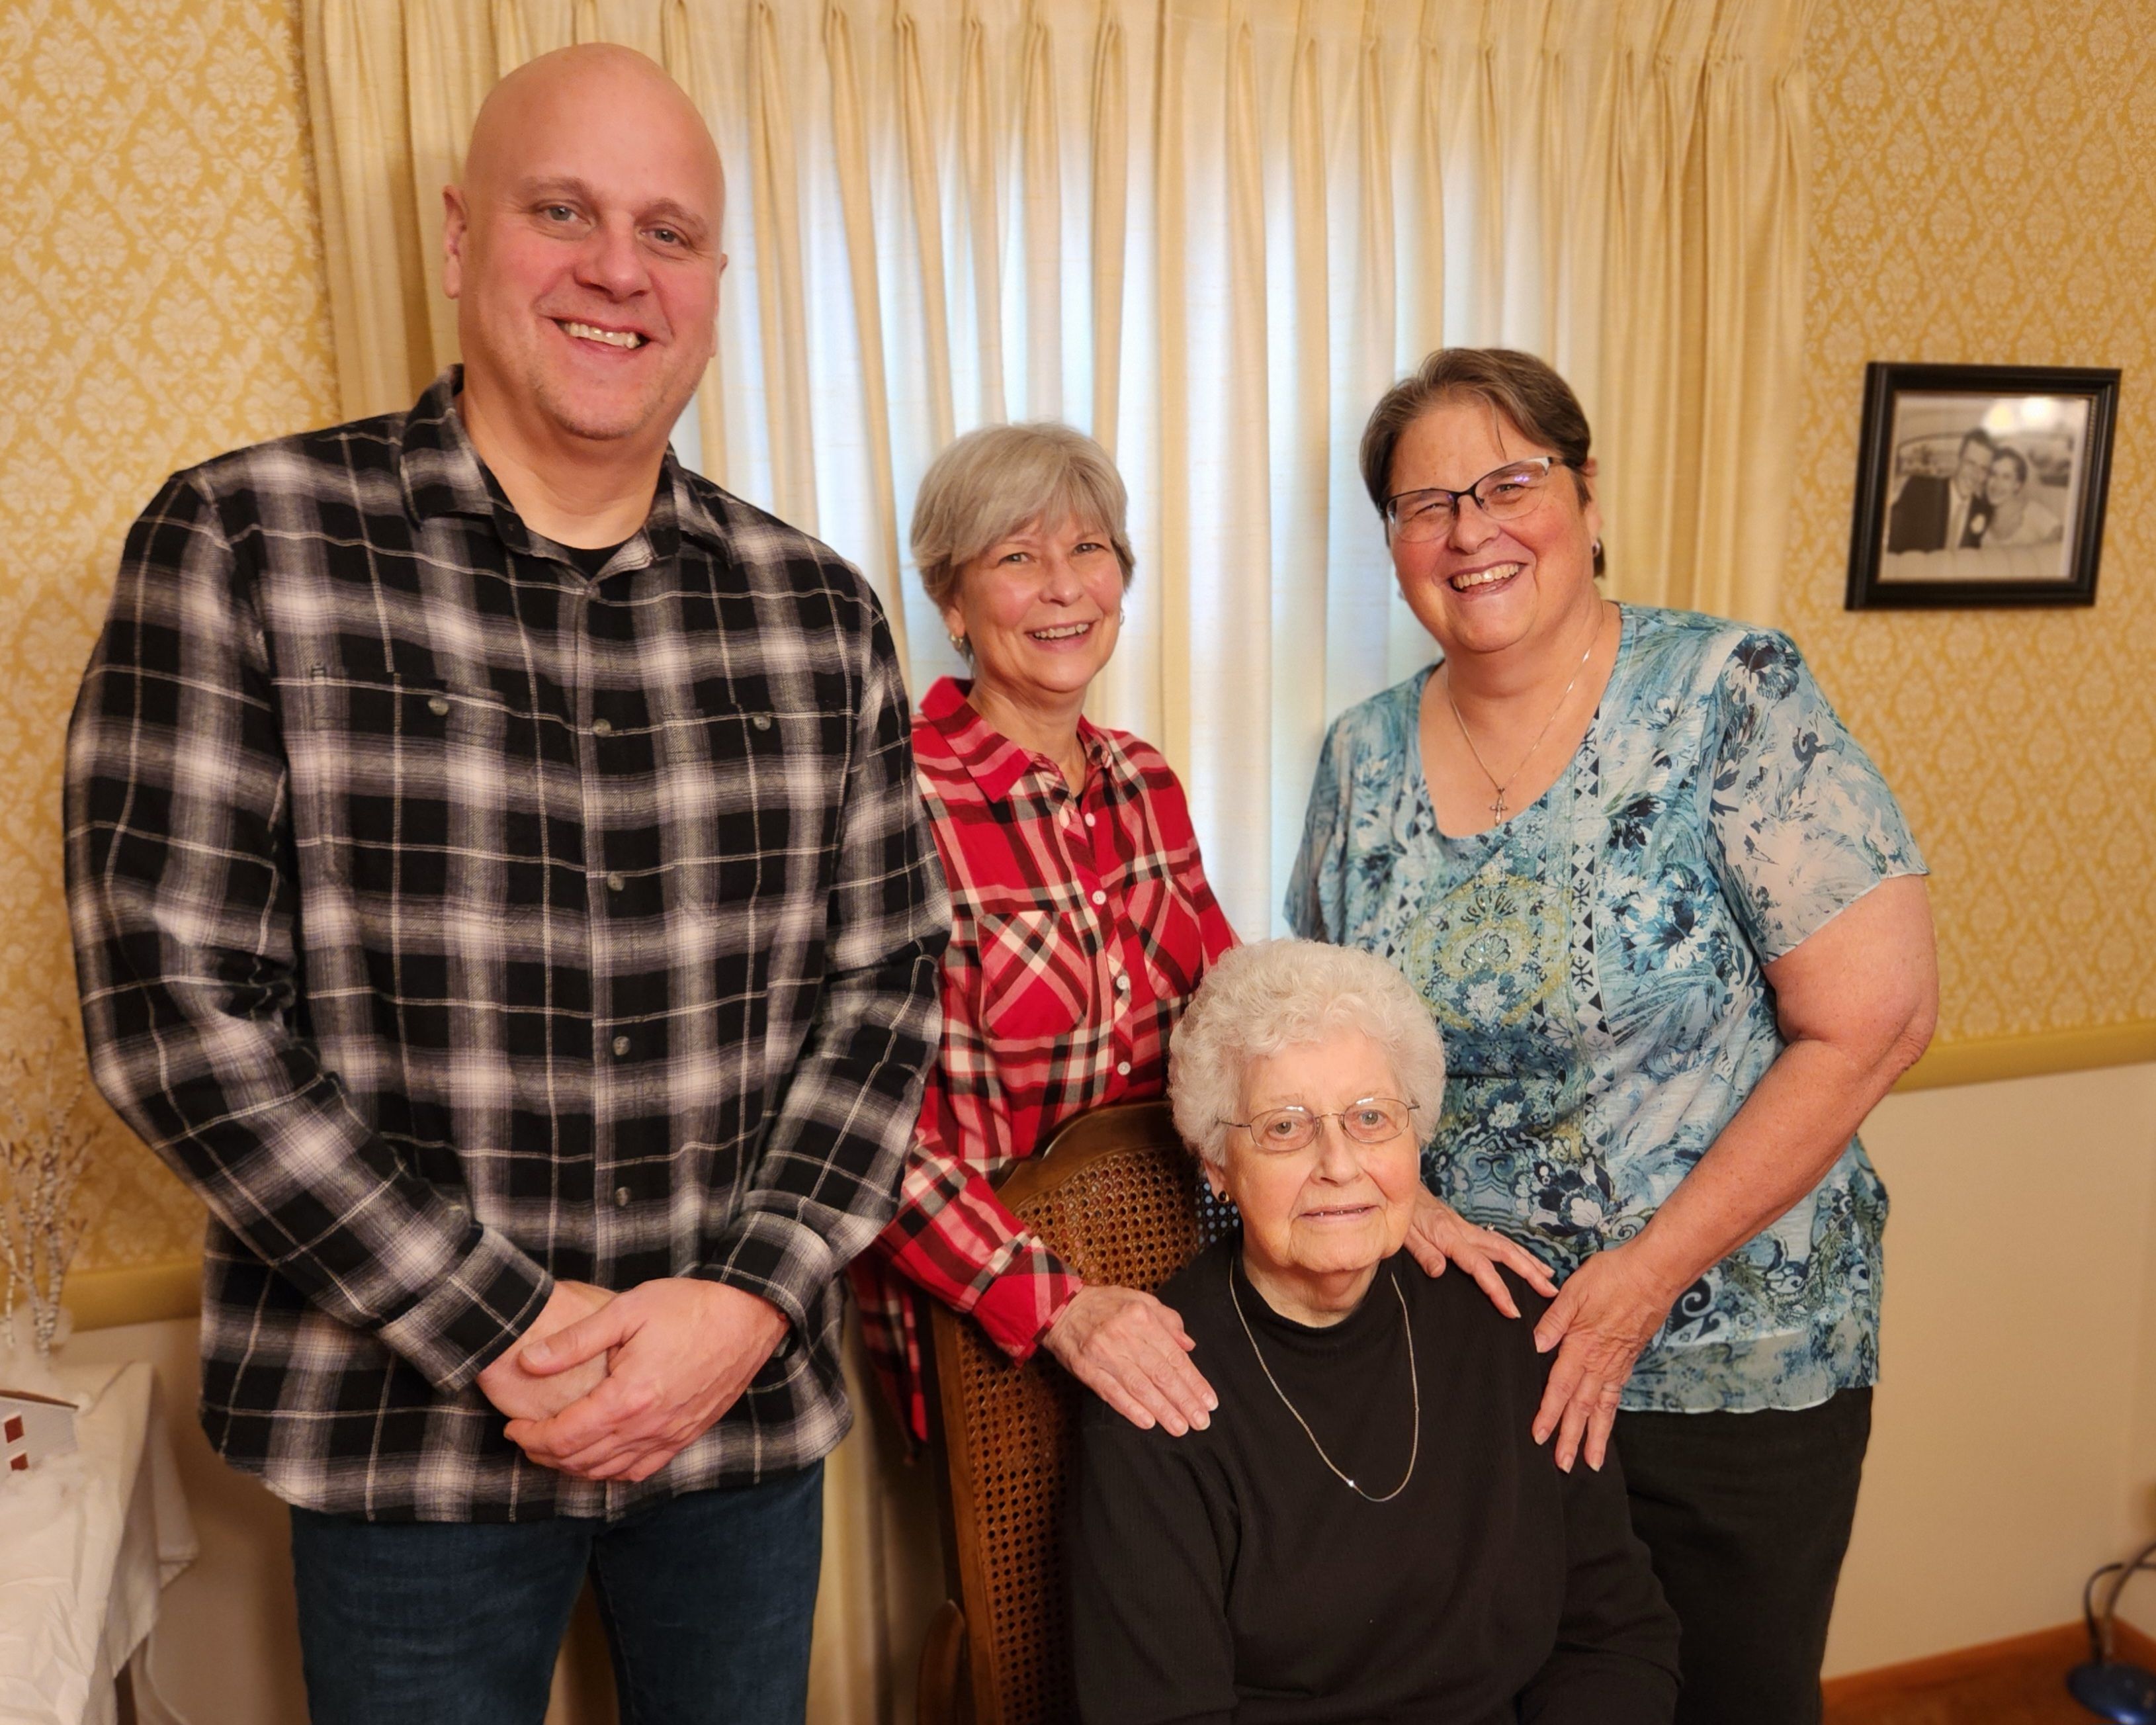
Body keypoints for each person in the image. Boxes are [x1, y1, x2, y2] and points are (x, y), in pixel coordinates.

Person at [64, 44, 948, 1725]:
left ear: (712, 285)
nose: (620, 269)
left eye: (671, 233)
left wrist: (750, 1294)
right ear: (464, 239)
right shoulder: (248, 542)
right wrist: (499, 1326)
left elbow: (889, 981)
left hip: (738, 1418)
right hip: (409, 1436)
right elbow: (171, 1010)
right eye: (567, 211)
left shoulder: (815, 606)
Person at [1287, 347, 1938, 1725]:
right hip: (1469, 1366)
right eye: (1424, 505)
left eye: (1507, 482)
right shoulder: (1359, 756)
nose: (1470, 531)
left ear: (1585, 495)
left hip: (1722, 1360)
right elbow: (1331, 1045)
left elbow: (1875, 1020)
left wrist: (1647, 1274)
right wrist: (1396, 1205)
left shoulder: (1728, 693)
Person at [1068, 939, 1680, 1724]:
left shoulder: (1509, 1328)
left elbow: (1614, 1637)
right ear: (1216, 1163)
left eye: (1369, 1118)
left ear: (1413, 1136)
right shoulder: (1155, 1386)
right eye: (1284, 1128)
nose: (1339, 1164)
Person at [1884, 426, 1993, 552]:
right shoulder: (1919, 490)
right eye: (1971, 463)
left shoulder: (1984, 511)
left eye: (1983, 469)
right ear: (1958, 460)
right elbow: (1893, 547)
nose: (1976, 474)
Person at [1979, 446, 2062, 547]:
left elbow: (2061, 535)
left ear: (2017, 485)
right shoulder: (1982, 521)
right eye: (1993, 474)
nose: (1997, 484)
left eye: (2006, 477)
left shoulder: (2031, 512)